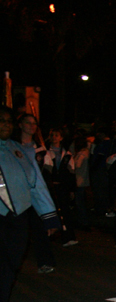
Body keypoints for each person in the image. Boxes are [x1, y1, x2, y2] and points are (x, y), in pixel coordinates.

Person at [0, 105, 60, 302]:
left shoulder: (19, 151)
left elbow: (36, 184)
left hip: (17, 217)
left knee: (10, 265)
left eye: (8, 121)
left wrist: (49, 216)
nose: (6, 125)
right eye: (1, 120)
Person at [14, 113, 56, 273]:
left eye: (34, 123)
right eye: (28, 123)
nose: (31, 126)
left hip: (36, 195)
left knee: (40, 229)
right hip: (17, 196)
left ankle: (45, 261)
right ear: (20, 125)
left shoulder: (41, 150)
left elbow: (45, 176)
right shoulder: (12, 147)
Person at [42, 129, 78, 247]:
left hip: (63, 187)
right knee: (51, 211)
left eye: (56, 135)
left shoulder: (67, 154)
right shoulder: (46, 152)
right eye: (52, 135)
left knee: (65, 211)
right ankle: (49, 235)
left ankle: (68, 236)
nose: (54, 137)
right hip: (50, 186)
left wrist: (72, 189)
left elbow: (71, 172)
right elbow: (45, 171)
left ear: (61, 138)